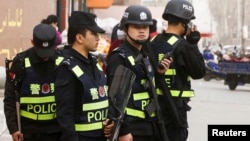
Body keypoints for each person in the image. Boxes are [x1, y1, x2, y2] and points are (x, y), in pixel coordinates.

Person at [106, 5, 171, 141]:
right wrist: (123, 131)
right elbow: (115, 98)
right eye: (136, 27)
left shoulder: (145, 55)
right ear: (126, 28)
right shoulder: (119, 56)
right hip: (133, 128)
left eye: (145, 27)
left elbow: (145, 87)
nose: (142, 31)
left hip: (150, 125)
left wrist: (159, 74)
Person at [150, 0, 206, 141]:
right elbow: (199, 72)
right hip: (175, 112)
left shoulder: (152, 42)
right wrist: (193, 44)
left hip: (152, 110)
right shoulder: (184, 46)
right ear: (185, 23)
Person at [54, 11, 113, 141]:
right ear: (79, 38)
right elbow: (65, 114)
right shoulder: (67, 67)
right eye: (93, 34)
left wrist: (110, 121)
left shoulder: (94, 62)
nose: (98, 38)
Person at [4, 23, 64, 141]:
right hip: (29, 133)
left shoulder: (62, 61)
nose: (45, 56)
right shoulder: (21, 63)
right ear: (32, 42)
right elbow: (10, 98)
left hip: (57, 131)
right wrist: (14, 128)